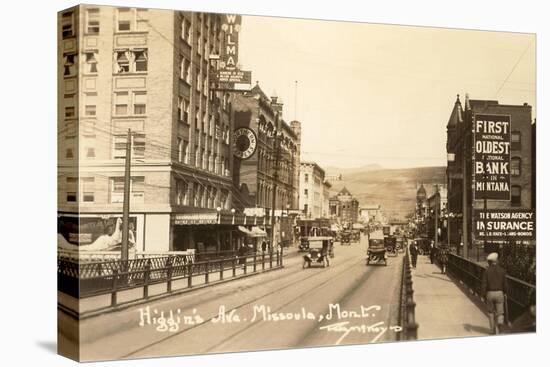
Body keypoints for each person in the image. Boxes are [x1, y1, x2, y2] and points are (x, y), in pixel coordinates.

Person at [481, 252, 508, 335]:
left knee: (490, 313)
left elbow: (484, 284)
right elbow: (505, 284)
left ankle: (492, 330)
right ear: (497, 260)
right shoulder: (502, 271)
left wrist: (482, 295)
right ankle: (500, 328)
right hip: (499, 293)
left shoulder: (487, 271)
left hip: (489, 293)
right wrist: (505, 293)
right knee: (500, 313)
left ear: (490, 261)